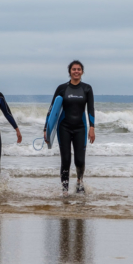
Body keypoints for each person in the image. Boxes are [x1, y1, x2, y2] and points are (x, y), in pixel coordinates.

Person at [44, 61, 95, 195]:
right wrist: (46, 129)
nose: (76, 71)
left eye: (79, 69)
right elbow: (52, 109)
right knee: (65, 160)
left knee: (79, 160)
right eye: (74, 69)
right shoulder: (62, 88)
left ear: (82, 72)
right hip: (64, 127)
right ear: (70, 72)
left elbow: (90, 109)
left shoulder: (87, 88)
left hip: (81, 128)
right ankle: (65, 190)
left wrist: (92, 127)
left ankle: (79, 181)